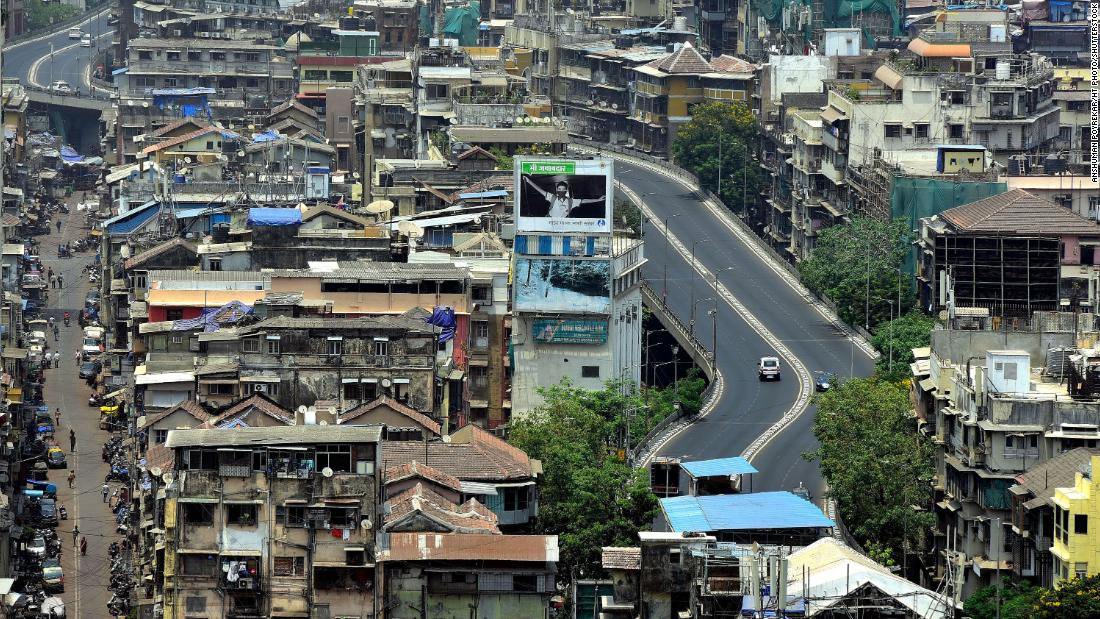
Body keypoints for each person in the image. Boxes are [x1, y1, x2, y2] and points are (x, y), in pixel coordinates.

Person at [522, 176, 606, 218]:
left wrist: (598, 200)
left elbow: (584, 200)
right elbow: (540, 190)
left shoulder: (571, 201)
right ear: (557, 190)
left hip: (562, 226)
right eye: (559, 189)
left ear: (566, 191)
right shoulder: (552, 197)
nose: (561, 191)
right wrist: (528, 181)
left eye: (563, 189)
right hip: (548, 223)